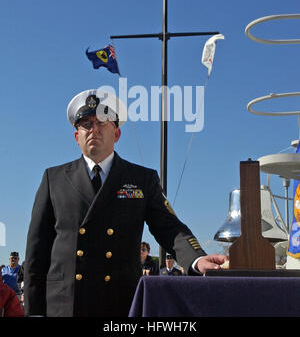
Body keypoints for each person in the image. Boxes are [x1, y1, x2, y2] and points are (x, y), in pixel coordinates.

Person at [24, 88, 227, 317]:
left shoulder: (141, 179)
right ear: (76, 136)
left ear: (117, 133)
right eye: (86, 124)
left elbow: (169, 227)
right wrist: (33, 311)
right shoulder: (54, 179)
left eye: (102, 121)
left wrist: (196, 259)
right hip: (64, 305)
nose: (94, 129)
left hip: (119, 304)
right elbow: (36, 251)